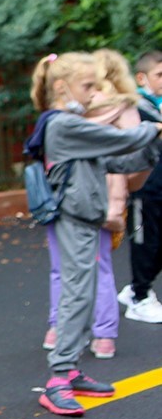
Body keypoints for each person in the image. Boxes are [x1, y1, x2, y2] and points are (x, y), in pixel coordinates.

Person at [24, 53, 162, 416]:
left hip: (86, 218)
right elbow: (118, 140)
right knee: (76, 294)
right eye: (88, 87)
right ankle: (57, 380)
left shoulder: (72, 124)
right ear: (61, 87)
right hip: (75, 218)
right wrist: (153, 129)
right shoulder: (62, 125)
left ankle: (69, 369)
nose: (93, 94)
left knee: (82, 293)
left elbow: (119, 161)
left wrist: (150, 146)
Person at [40, 49, 140, 357]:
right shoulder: (75, 118)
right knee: (91, 269)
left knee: (73, 270)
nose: (93, 93)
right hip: (85, 204)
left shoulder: (77, 116)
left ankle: (71, 335)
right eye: (88, 86)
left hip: (72, 205)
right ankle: (94, 335)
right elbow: (130, 159)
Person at [118, 49, 162, 324]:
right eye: (160, 75)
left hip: (159, 188)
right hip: (142, 190)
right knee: (144, 242)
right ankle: (139, 296)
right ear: (141, 77)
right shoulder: (134, 108)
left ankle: (136, 290)